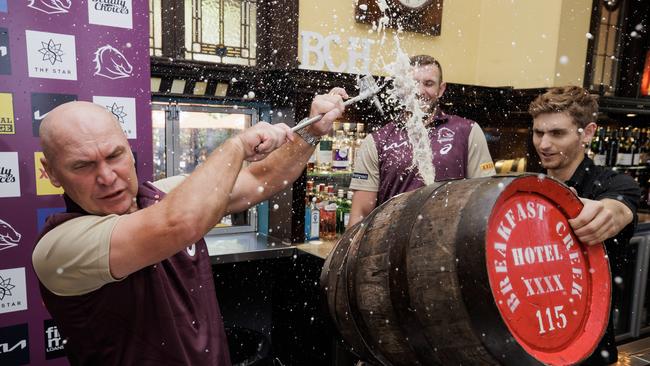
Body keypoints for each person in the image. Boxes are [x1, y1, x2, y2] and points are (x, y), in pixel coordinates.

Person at [31, 90, 347, 365]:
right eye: (82, 165)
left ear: (129, 149)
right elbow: (179, 223)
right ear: (52, 173)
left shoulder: (162, 197)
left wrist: (310, 133)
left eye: (115, 155)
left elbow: (259, 178)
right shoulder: (58, 249)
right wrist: (236, 146)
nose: (107, 176)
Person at [529, 86, 641, 365]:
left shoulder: (615, 185)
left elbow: (616, 211)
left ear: (588, 132)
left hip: (590, 344)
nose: (544, 144)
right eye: (538, 132)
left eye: (557, 133)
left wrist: (601, 213)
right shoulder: (527, 190)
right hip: (534, 337)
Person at [348, 54, 496, 226]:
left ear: (441, 89)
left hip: (448, 247)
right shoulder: (377, 141)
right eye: (412, 83)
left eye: (428, 83)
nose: (419, 91)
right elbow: (360, 214)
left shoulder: (467, 131)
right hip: (392, 247)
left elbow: (484, 200)